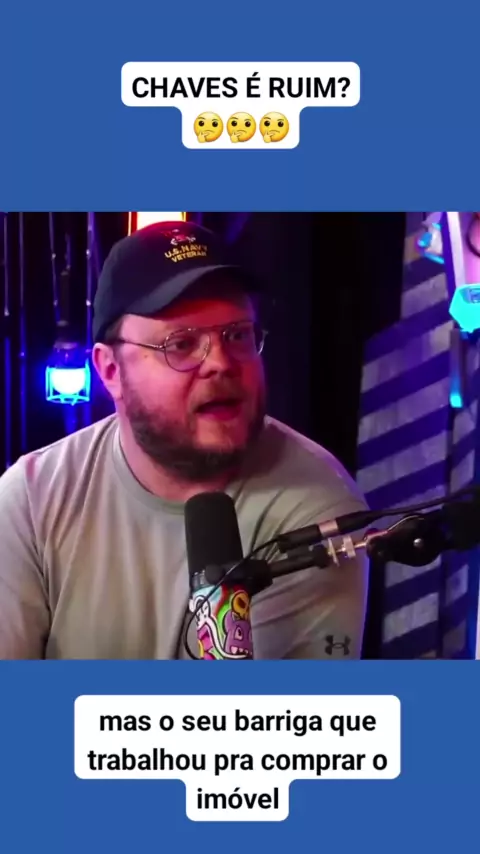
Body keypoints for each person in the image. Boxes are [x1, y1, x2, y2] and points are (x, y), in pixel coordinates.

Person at [0, 220, 369, 660]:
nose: (221, 363)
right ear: (111, 370)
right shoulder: (31, 500)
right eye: (181, 344)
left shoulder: (318, 510)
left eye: (237, 335)